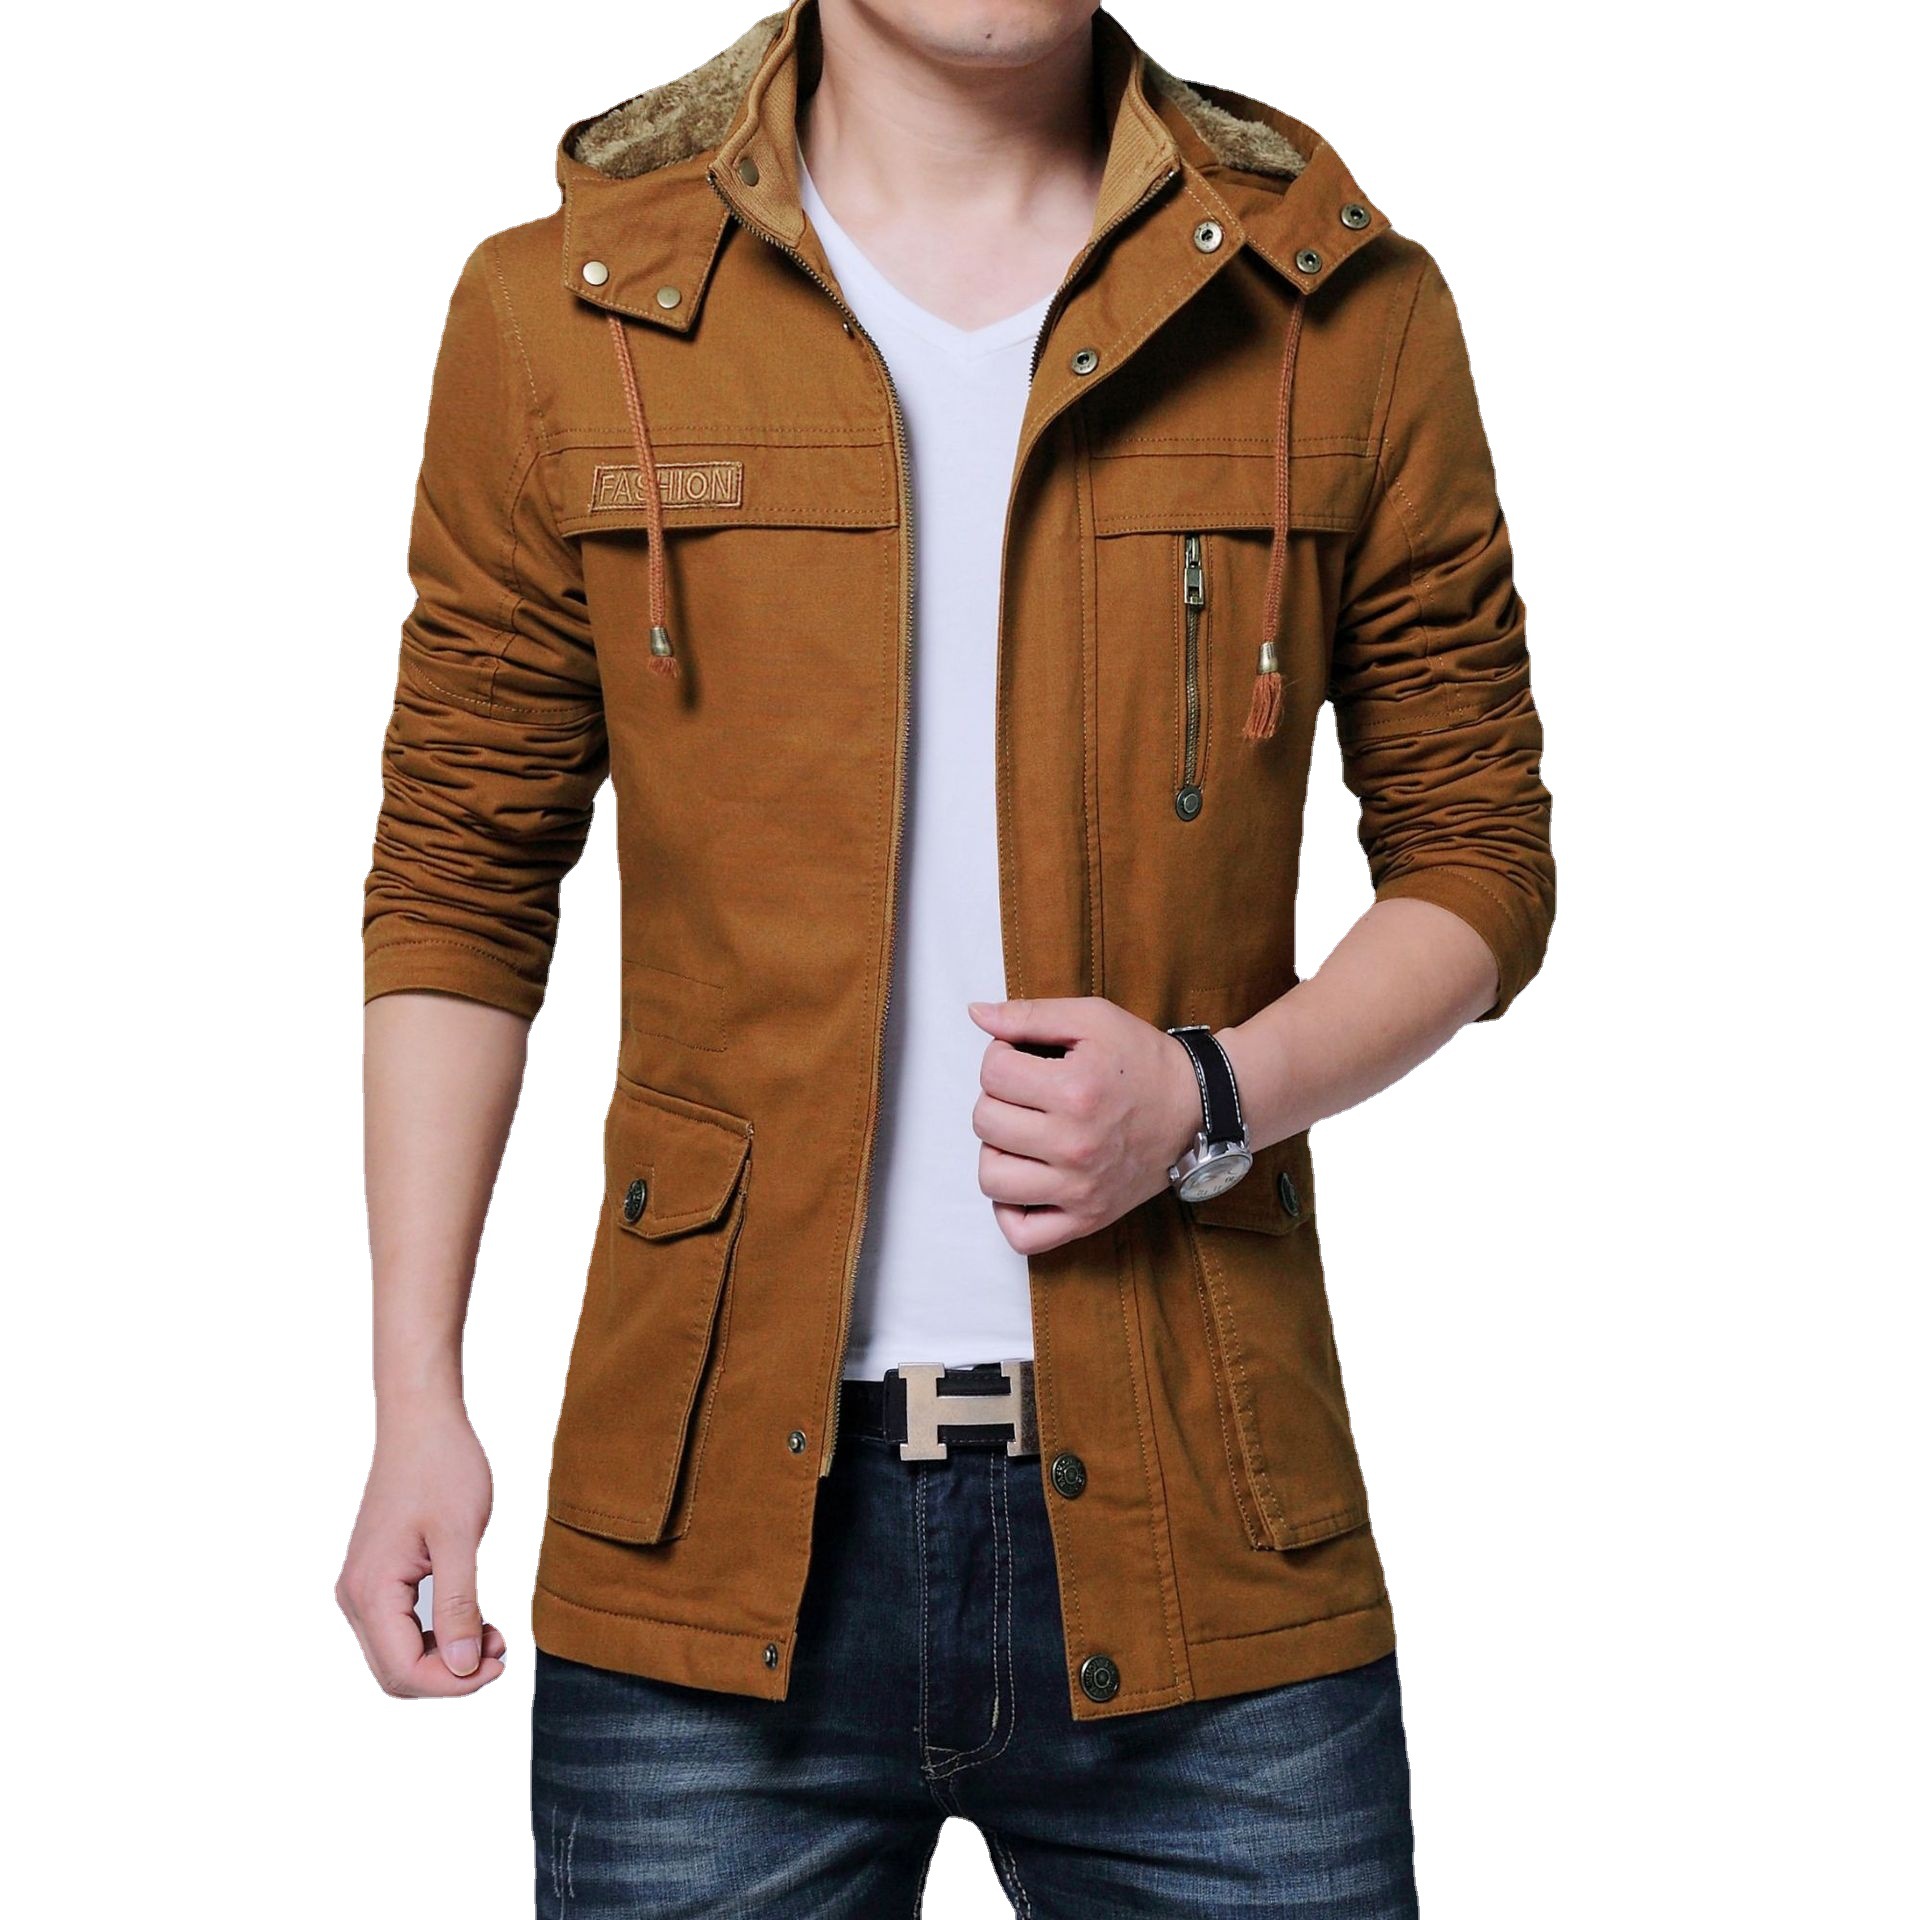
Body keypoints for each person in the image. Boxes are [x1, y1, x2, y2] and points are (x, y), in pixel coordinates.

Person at [337, 1, 1554, 1911]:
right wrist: (417, 1392)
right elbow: (461, 878)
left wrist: (1212, 1094)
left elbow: (1478, 851)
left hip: (1209, 1529)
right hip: (706, 1541)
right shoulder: (564, 310)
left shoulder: (1337, 303)